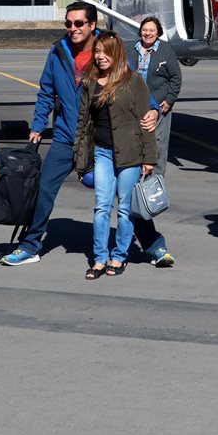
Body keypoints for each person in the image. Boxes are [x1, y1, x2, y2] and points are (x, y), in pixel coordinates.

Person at [0, 2, 159, 267]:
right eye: (68, 23)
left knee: (125, 195)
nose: (72, 28)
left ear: (92, 25)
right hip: (65, 137)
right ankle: (30, 245)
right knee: (43, 188)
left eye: (79, 23)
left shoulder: (108, 51)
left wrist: (152, 109)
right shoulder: (58, 51)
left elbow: (133, 85)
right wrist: (37, 126)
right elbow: (46, 91)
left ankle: (153, 245)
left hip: (102, 140)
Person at [74, 31, 157, 279]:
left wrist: (149, 158)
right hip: (102, 153)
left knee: (124, 209)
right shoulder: (90, 82)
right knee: (101, 207)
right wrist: (79, 160)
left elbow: (146, 122)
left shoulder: (133, 82)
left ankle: (119, 256)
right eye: (97, 51)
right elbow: (83, 122)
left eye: (105, 52)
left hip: (130, 154)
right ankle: (99, 258)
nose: (100, 57)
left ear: (116, 53)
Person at [126, 15, 182, 267]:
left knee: (157, 144)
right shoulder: (131, 51)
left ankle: (153, 180)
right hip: (134, 107)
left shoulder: (166, 51)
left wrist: (168, 101)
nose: (148, 34)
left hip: (158, 105)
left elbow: (175, 79)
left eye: (152, 30)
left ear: (158, 32)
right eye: (144, 30)